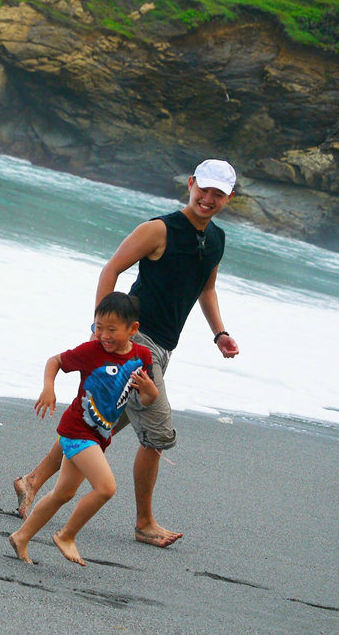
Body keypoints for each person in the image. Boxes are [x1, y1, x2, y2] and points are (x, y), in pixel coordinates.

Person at [13, 159, 240, 548]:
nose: (207, 198)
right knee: (157, 435)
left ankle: (31, 481)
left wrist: (219, 333)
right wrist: (101, 332)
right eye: (203, 189)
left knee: (99, 422)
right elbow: (111, 270)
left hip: (164, 347)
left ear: (228, 198)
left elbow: (206, 290)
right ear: (191, 184)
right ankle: (144, 523)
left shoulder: (216, 239)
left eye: (218, 193)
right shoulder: (158, 229)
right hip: (136, 343)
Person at [9, 292, 158, 565]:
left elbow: (146, 399)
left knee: (63, 493)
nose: (103, 335)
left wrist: (151, 392)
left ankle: (21, 536)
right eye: (98, 327)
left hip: (99, 435)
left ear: (132, 330)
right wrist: (48, 388)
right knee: (106, 488)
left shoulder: (142, 357)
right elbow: (55, 361)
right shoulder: (91, 352)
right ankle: (67, 535)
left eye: (111, 329)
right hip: (77, 430)